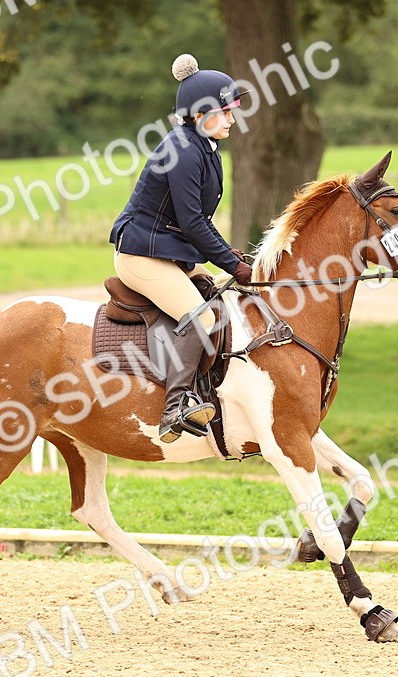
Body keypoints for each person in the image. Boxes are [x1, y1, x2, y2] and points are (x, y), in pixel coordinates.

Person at [109, 54, 255, 444]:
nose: (230, 119)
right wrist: (229, 261)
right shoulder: (184, 150)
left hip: (169, 252)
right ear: (200, 113)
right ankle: (175, 408)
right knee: (201, 319)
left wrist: (230, 257)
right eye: (224, 112)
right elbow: (193, 223)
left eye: (231, 112)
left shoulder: (205, 147)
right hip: (141, 255)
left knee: (223, 303)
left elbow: (196, 223)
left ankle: (210, 392)